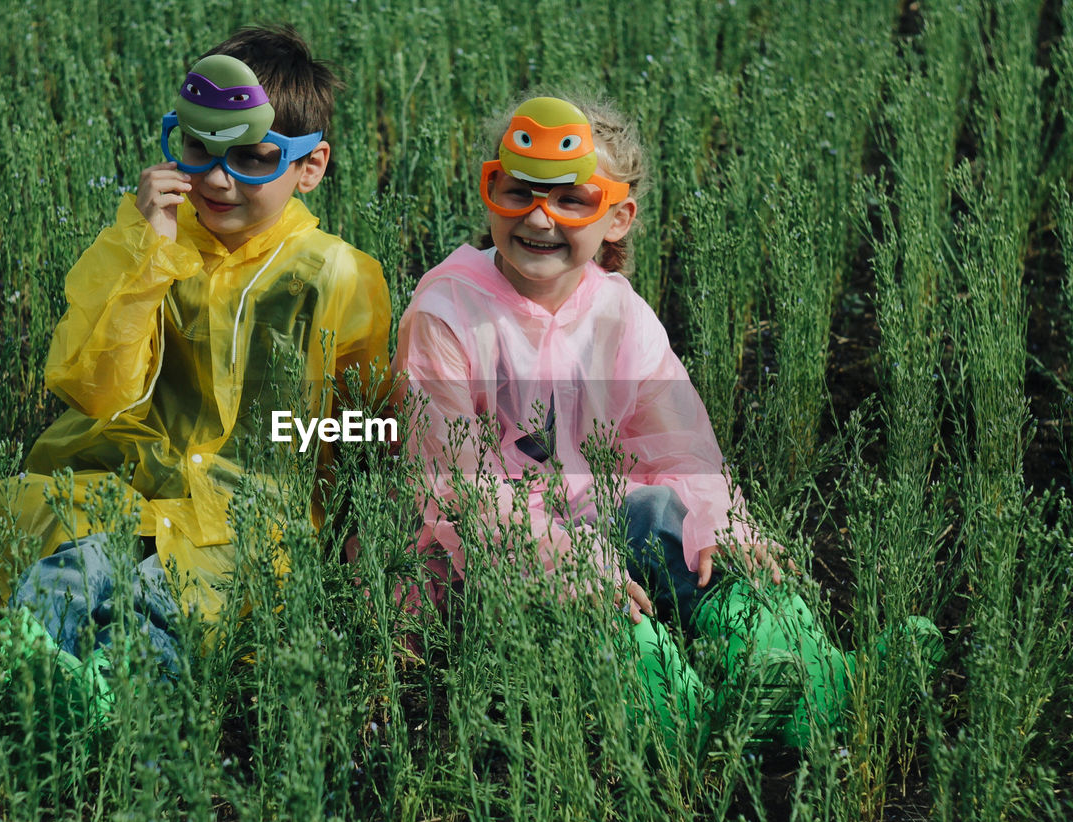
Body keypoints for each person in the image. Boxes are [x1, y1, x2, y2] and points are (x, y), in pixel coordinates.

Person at [394, 95, 933, 752]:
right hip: (478, 556)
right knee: (591, 600)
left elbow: (677, 437)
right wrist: (567, 564)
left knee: (679, 520)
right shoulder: (447, 309)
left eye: (571, 201)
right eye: (518, 192)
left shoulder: (618, 311)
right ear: (491, 190)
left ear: (618, 217)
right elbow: (457, 485)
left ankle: (803, 677)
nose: (538, 216)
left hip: (583, 515)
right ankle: (683, 722)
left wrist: (719, 519)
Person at [0, 25, 391, 681]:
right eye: (198, 148)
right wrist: (149, 253)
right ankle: (7, 675)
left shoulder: (338, 276)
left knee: (159, 611)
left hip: (254, 526)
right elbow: (96, 387)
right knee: (72, 569)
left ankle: (104, 708)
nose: (219, 180)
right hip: (129, 486)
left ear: (309, 167)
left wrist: (356, 559)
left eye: (253, 158)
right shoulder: (152, 235)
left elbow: (362, 426)